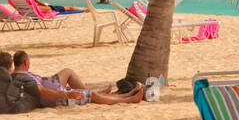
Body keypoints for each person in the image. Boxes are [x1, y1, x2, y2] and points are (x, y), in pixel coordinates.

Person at [10, 50, 141, 105]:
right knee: (93, 95)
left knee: (68, 72)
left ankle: (94, 92)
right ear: (26, 63)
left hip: (52, 84)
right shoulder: (23, 77)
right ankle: (128, 99)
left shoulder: (17, 74)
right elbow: (42, 92)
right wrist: (66, 94)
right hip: (55, 97)